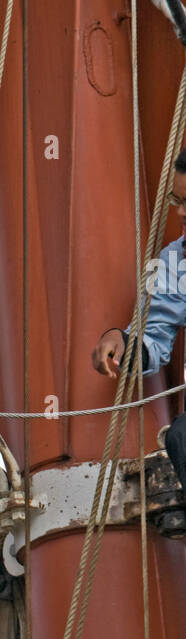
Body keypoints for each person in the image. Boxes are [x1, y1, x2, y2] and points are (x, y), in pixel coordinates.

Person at [92, 146, 186, 494]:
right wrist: (120, 341)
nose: (180, 213)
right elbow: (155, 336)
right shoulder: (175, 260)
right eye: (177, 200)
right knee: (183, 438)